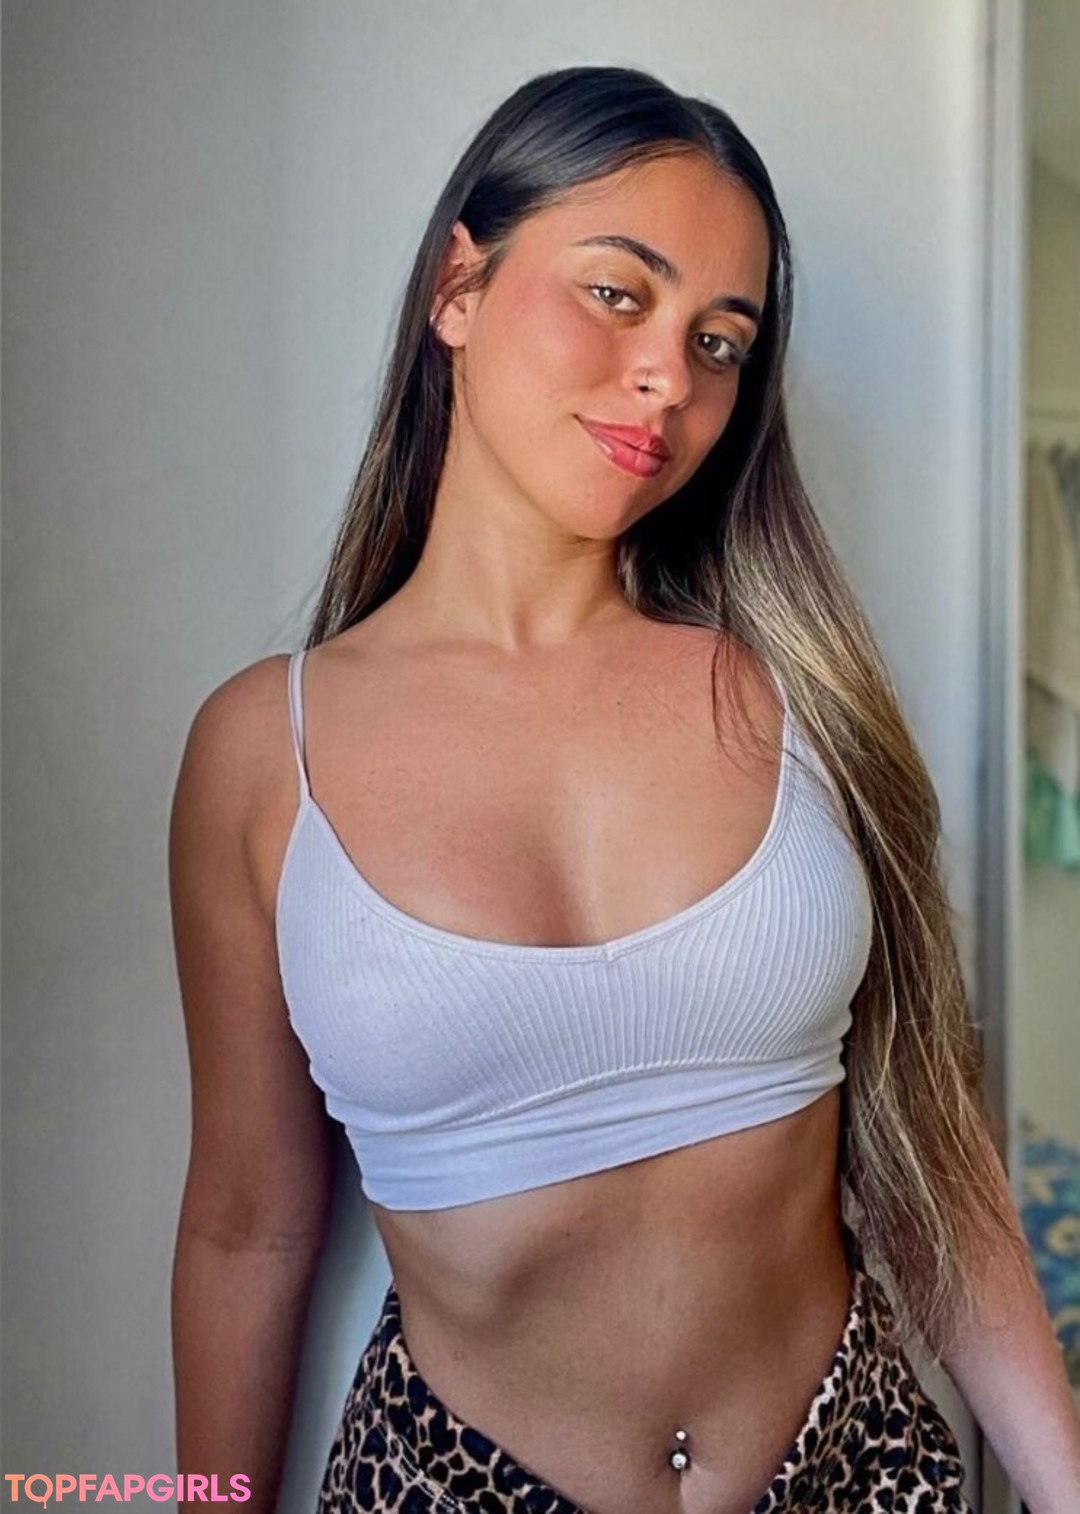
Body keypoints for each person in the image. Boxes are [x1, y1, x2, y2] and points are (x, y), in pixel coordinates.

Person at [168, 65, 1080, 1514]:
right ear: (457, 286)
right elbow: (246, 1227)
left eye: (720, 341)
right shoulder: (261, 751)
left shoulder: (801, 691)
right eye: (617, 293)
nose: (671, 377)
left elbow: (933, 1151)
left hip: (861, 1470)